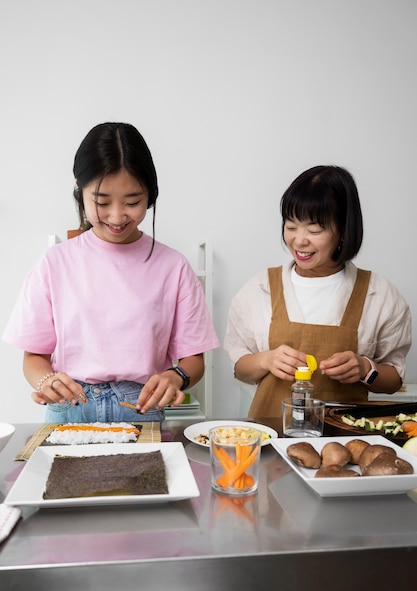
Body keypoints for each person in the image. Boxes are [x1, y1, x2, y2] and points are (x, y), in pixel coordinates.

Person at [3, 122, 219, 423]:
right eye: (101, 202)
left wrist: (176, 377)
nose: (117, 217)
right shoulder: (54, 263)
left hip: (141, 408)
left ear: (151, 194)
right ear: (79, 188)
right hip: (70, 407)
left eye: (133, 202)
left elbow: (194, 359)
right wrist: (46, 381)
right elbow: (33, 358)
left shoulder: (174, 266)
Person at [224, 165, 411, 434]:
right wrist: (266, 360)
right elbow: (240, 369)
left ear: (344, 230)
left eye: (314, 230)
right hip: (270, 437)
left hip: (347, 440)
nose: (299, 241)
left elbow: (393, 380)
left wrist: (363, 368)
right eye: (291, 226)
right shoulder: (260, 288)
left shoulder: (379, 295)